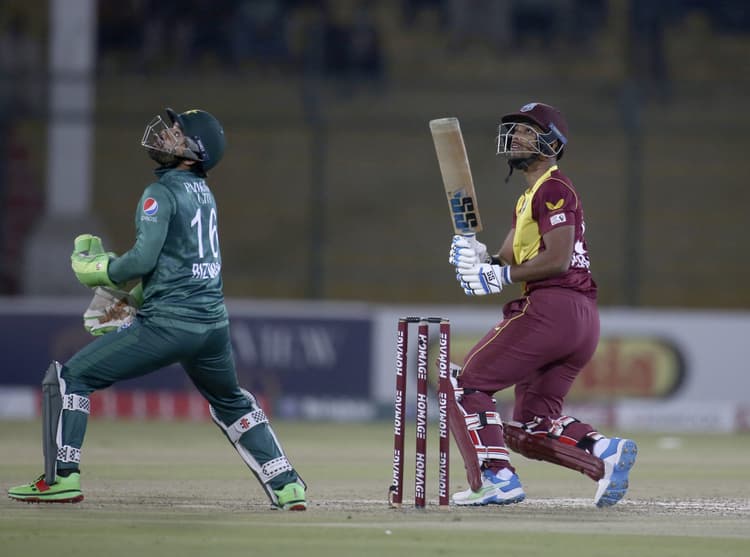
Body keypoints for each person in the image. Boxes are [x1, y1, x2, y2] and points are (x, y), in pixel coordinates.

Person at [7, 108, 307, 510]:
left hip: (169, 325)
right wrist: (134, 300)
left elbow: (142, 260)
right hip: (212, 326)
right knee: (232, 401)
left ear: (194, 152)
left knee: (71, 376)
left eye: (177, 133)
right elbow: (180, 264)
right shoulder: (204, 193)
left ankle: (61, 478)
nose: (166, 135)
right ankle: (287, 485)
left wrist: (99, 270)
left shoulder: (160, 193)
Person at [447, 102, 637, 507]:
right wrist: (476, 259)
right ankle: (603, 452)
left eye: (527, 131)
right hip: (579, 320)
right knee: (530, 428)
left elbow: (558, 259)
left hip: (553, 308)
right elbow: (505, 260)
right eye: (514, 130)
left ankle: (496, 478)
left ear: (552, 143)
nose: (516, 136)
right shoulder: (528, 198)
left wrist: (498, 277)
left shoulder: (554, 188)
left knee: (466, 385)